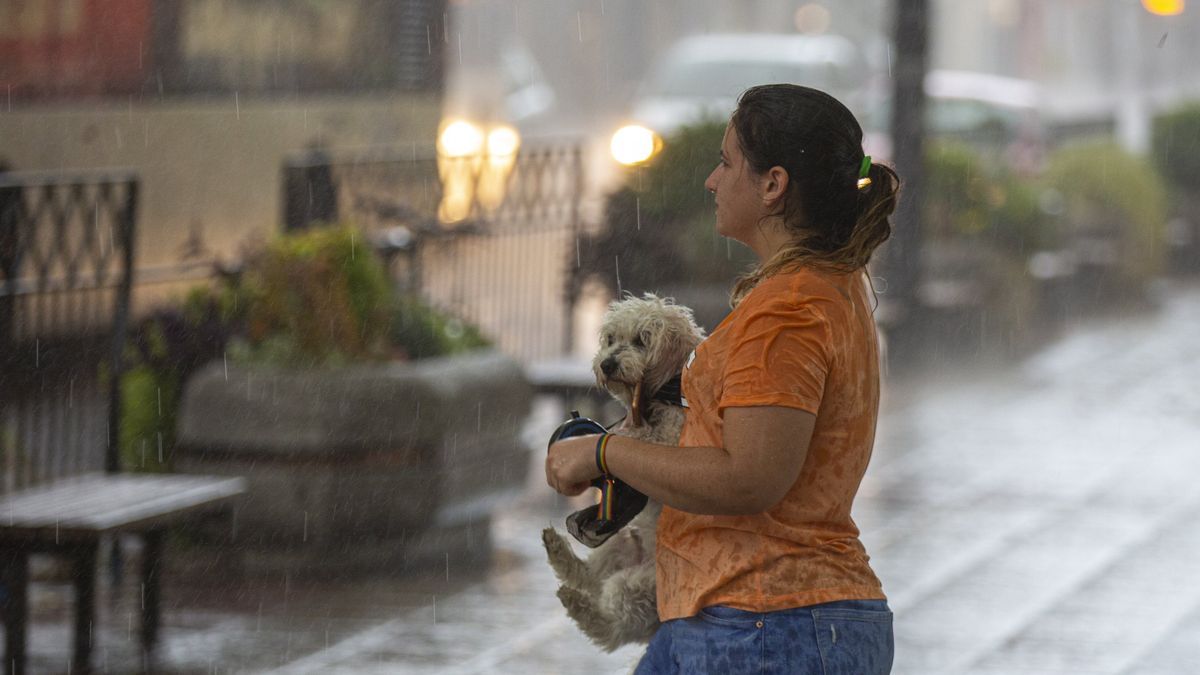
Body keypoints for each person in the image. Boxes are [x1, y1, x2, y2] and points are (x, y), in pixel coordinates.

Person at [546, 83, 899, 674]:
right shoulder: (829, 285)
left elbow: (748, 478)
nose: (711, 180)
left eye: (726, 162)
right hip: (752, 617)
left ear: (773, 184)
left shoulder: (787, 311)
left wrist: (605, 453)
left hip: (765, 623)